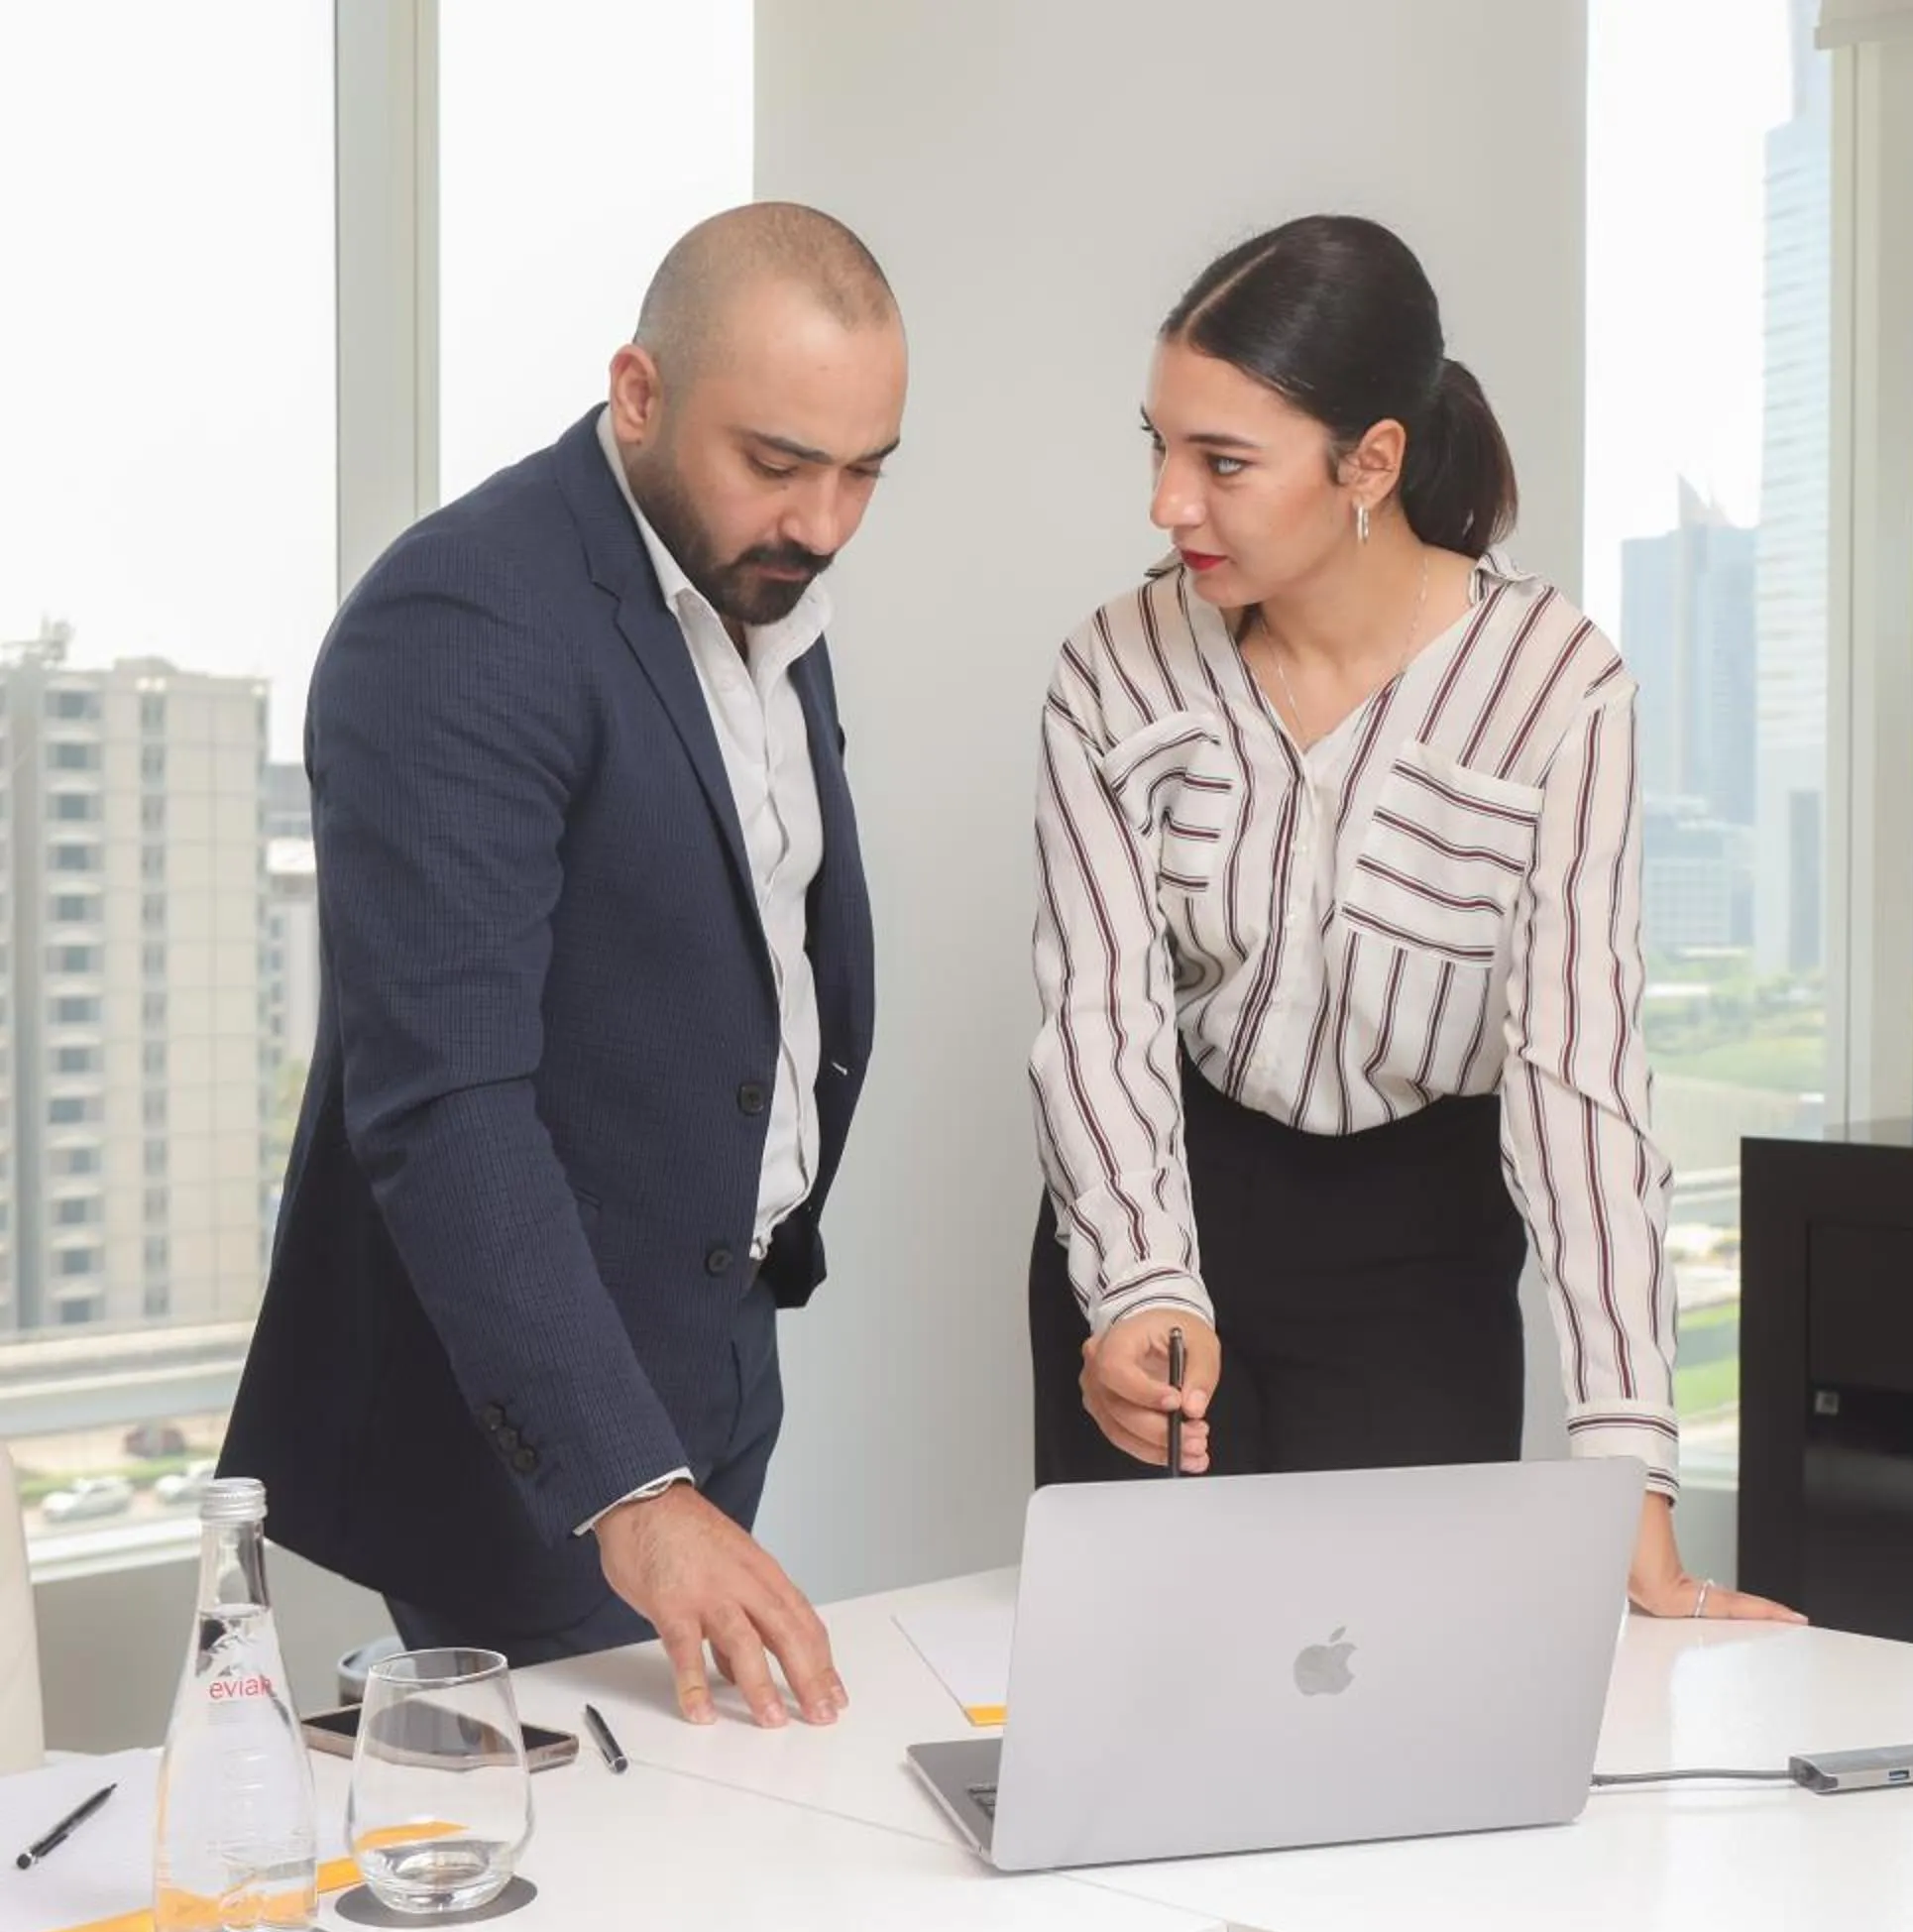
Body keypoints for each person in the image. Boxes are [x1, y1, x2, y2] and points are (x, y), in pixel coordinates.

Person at [1027, 214, 1796, 1623]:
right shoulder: (1114, 675)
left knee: (1387, 1702)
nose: (1167, 504)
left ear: (1370, 463)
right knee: (1142, 1702)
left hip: (1415, 1247)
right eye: (1159, 445)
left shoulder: (1555, 692)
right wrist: (1136, 1290)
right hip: (1166, 1201)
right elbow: (1099, 1010)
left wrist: (1631, 1468)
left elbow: (1580, 1090)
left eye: (1223, 463)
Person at [227, 203, 905, 1725]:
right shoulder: (463, 619)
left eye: (865, 472)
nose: (822, 521)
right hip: (529, 1418)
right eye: (780, 462)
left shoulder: (754, 586)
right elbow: (444, 1099)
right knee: (568, 1879)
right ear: (639, 393)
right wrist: (632, 1485)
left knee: (710, 1833)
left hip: (714, 1348)